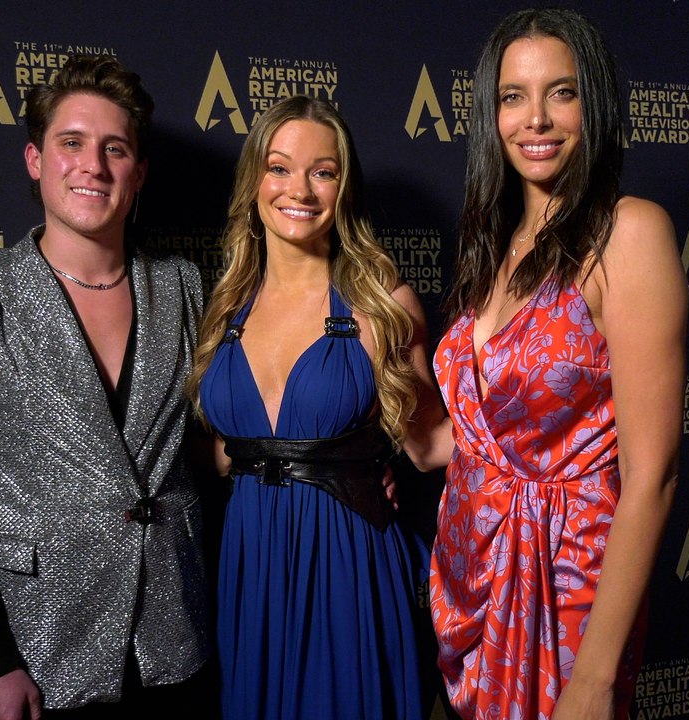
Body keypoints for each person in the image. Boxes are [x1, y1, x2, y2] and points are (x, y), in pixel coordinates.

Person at [0, 55, 212, 718]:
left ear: (139, 172)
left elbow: (222, 439)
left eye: (115, 149)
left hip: (174, 644)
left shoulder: (185, 287)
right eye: (70, 143)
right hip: (36, 650)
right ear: (35, 160)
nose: (93, 166)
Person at [429, 8, 687, 720]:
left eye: (561, 93)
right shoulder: (494, 243)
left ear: (594, 102)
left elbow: (653, 475)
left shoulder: (628, 233)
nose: (535, 119)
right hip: (471, 577)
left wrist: (595, 678)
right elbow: (467, 435)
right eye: (513, 96)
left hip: (566, 587)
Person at [187, 95, 450, 720]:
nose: (299, 189)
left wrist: (562, 423)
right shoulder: (222, 308)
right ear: (254, 181)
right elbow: (219, 451)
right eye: (279, 168)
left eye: (322, 171)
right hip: (249, 562)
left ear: (343, 185)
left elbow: (431, 444)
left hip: (348, 559)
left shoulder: (383, 305)